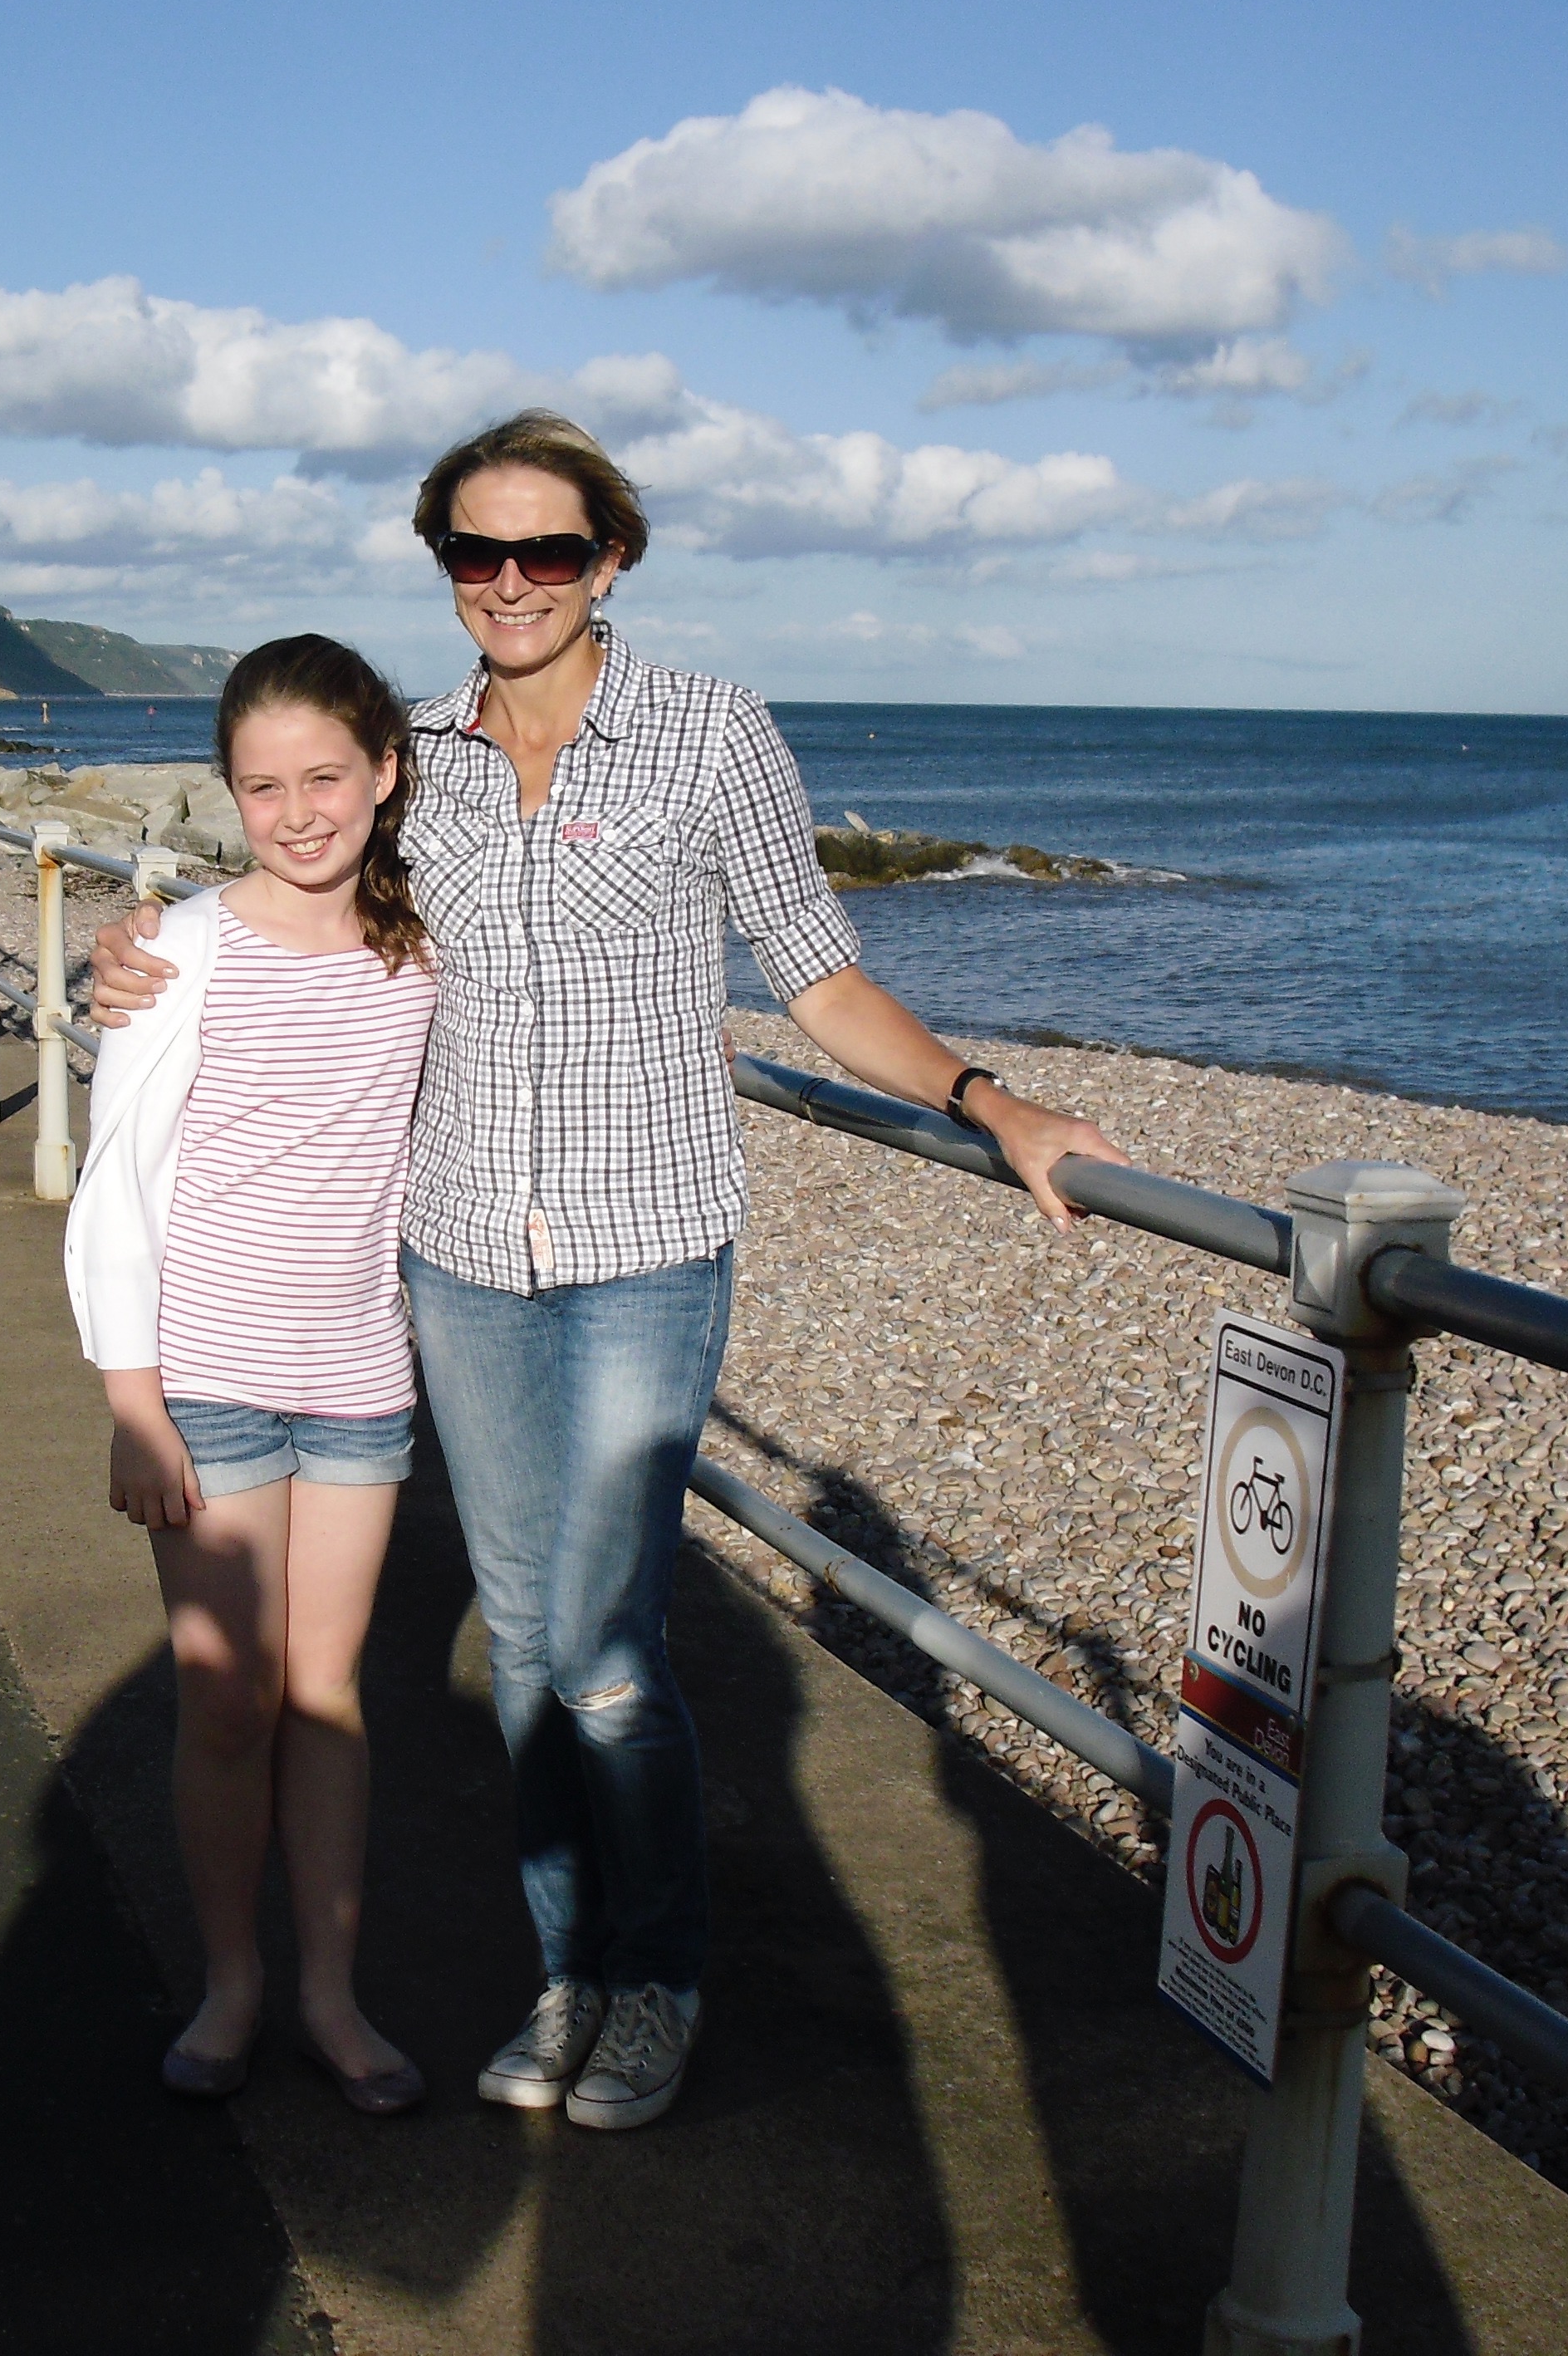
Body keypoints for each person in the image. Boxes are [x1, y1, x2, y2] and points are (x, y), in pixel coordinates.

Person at [91, 411, 1125, 2132]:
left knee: (607, 1652)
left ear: (609, 559)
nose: (509, 584)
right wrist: (138, 951)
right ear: (442, 569)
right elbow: (299, 873)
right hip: (460, 1252)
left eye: (545, 553)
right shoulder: (406, 748)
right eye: (473, 556)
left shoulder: (711, 732)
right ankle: (567, 1975)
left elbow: (813, 974)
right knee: (518, 1648)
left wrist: (984, 1096)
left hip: (648, 1244)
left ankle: (655, 1983)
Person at [62, 636, 435, 2118]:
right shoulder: (185, 950)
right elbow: (118, 1182)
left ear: (385, 773)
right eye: (263, 785)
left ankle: (334, 1998)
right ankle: (234, 1985)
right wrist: (130, 1404)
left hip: (357, 1377)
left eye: (325, 777)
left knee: (328, 1697)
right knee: (230, 1704)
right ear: (230, 792)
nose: (296, 812)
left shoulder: (428, 946)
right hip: (205, 1379)